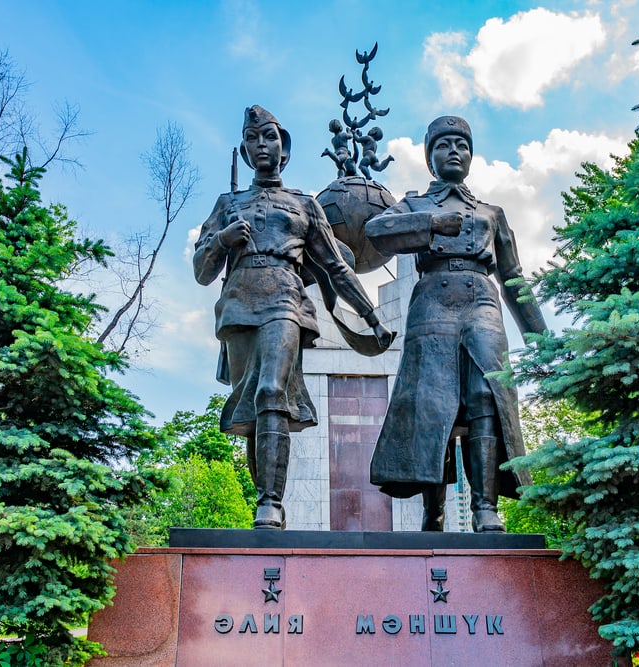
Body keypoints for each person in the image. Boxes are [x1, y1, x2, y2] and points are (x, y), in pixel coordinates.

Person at [194, 105, 393, 529]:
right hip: (239, 305)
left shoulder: (303, 204)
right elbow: (201, 271)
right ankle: (263, 501)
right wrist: (223, 240)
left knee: (271, 392)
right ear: (246, 150)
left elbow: (337, 267)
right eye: (254, 139)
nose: (262, 145)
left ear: (284, 151)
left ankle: (271, 501)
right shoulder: (227, 203)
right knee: (251, 411)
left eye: (270, 138)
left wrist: (370, 317)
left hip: (285, 300)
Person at [365, 116, 546, 532]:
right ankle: (435, 514)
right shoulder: (415, 206)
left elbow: (514, 276)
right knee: (435, 406)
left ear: (471, 155)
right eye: (444, 145)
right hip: (432, 306)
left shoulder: (490, 213)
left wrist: (540, 337)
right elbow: (376, 232)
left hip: (482, 303)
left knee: (485, 395)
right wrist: (430, 224)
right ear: (430, 158)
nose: (454, 151)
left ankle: (486, 510)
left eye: (461, 145)